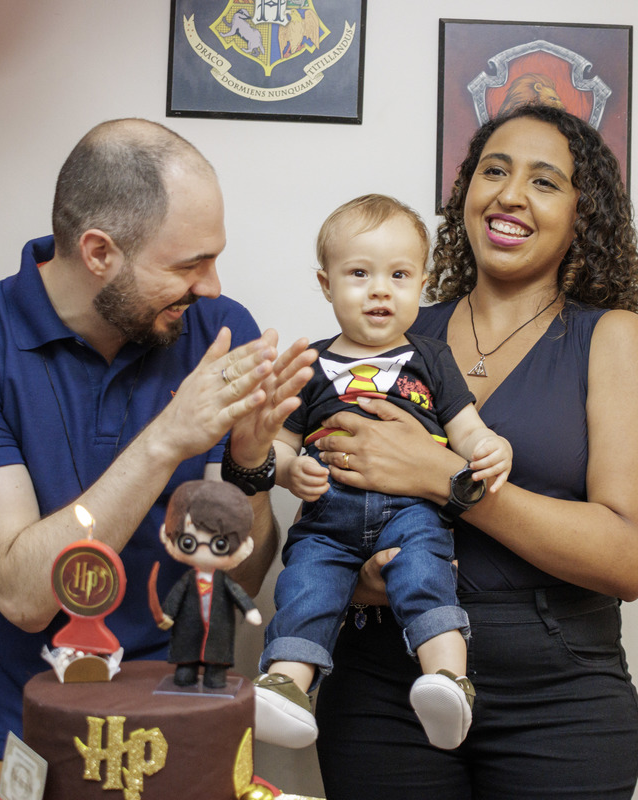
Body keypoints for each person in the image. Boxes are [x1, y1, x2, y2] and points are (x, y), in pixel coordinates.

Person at [0, 118, 314, 800]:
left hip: (180, 730)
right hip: (20, 735)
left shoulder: (218, 330)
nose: (212, 286)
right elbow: (23, 595)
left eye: (215, 258)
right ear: (98, 251)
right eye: (188, 264)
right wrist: (167, 439)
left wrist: (247, 469)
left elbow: (239, 574)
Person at [311, 104, 638, 799]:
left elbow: (632, 558)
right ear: (466, 194)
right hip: (385, 681)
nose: (510, 195)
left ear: (582, 214)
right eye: (494, 171)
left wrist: (446, 478)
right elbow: (327, 499)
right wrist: (358, 576)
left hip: (558, 697)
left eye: (544, 181)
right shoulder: (390, 328)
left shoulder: (611, 337)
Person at [253, 195, 512, 752]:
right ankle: (287, 686)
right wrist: (290, 471)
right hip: (327, 517)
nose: (380, 290)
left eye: (399, 275)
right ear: (325, 285)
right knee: (307, 584)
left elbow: (466, 429)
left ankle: (448, 680)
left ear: (421, 283)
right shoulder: (311, 365)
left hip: (412, 512)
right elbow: (278, 445)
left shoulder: (432, 357)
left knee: (425, 574)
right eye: (359, 274)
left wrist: (491, 447)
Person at [148, 479, 263, 689]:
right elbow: (175, 597)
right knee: (183, 676)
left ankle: (214, 674)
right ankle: (186, 672)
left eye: (219, 544)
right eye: (189, 542)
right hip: (187, 634)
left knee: (216, 679)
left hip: (218, 635)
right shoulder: (187, 580)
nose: (203, 549)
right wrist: (167, 614)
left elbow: (237, 593)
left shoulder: (223, 581)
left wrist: (249, 610)